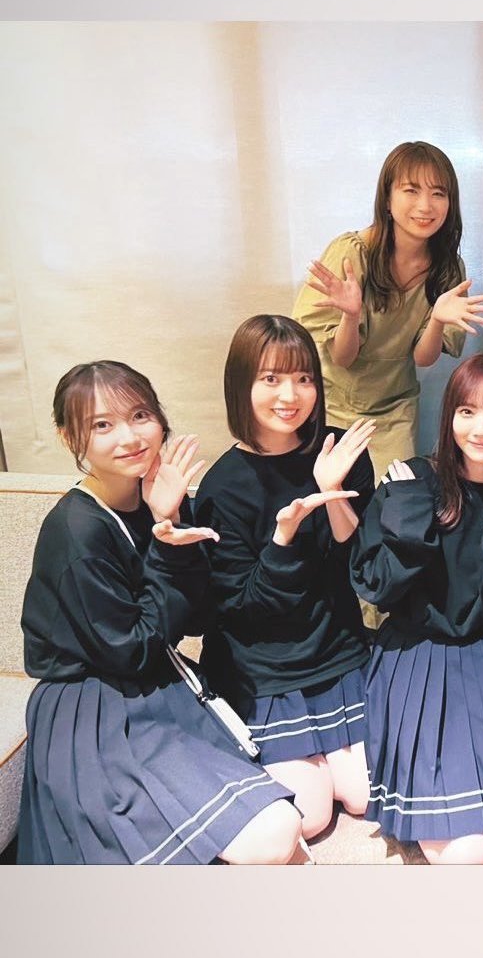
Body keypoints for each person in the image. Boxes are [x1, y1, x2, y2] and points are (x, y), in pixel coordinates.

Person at [18, 361, 303, 864]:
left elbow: (196, 619)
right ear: (69, 437)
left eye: (140, 415)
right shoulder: (77, 531)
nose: (129, 437)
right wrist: (168, 549)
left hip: (155, 681)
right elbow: (130, 649)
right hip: (92, 705)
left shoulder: (155, 497)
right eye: (102, 424)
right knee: (274, 834)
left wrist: (168, 519)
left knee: (288, 825)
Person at [351, 352, 483, 864]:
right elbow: (377, 587)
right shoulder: (414, 482)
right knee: (466, 854)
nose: (481, 429)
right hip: (415, 652)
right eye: (467, 411)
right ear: (449, 416)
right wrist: (408, 517)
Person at [193, 315, 375, 841]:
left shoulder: (338, 453)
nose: (290, 395)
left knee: (366, 797)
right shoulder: (223, 487)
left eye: (303, 378)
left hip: (338, 649)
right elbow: (242, 608)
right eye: (271, 379)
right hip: (265, 668)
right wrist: (282, 538)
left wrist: (332, 494)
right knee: (310, 817)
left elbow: (365, 570)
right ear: (241, 385)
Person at [292, 140, 483, 480]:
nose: (425, 206)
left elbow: (422, 358)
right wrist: (351, 315)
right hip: (333, 403)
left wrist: (437, 320)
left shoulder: (448, 270)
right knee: (332, 495)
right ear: (387, 198)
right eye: (411, 190)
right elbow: (341, 358)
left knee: (396, 497)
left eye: (438, 193)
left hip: (395, 407)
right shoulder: (352, 254)